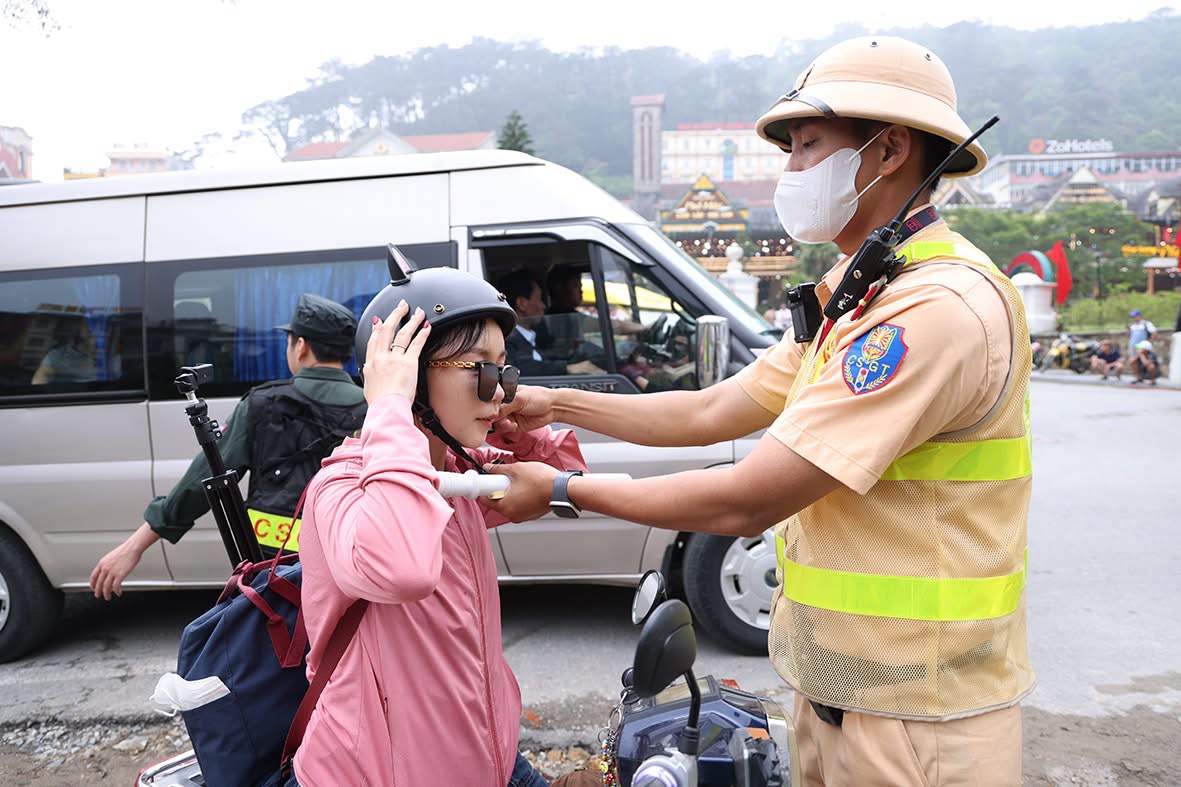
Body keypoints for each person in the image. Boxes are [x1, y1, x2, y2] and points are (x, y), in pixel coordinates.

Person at [486, 36, 1032, 786]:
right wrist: (552, 401)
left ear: (888, 150)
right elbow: (712, 409)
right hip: (842, 695)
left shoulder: (932, 308)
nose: (791, 170)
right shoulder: (860, 293)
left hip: (917, 718)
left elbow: (750, 498)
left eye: (807, 145)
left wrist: (558, 489)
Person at [289, 266, 586, 787]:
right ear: (415, 375)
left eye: (506, 372)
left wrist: (516, 422)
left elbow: (562, 478)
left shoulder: (455, 471)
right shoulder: (342, 487)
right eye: (484, 370)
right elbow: (401, 568)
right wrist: (389, 407)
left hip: (485, 756)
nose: (499, 391)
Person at [89, 293, 367, 600]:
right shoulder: (374, 407)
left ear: (300, 346)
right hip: (349, 574)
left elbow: (204, 478)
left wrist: (134, 546)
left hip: (273, 578)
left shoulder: (261, 404)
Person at [496, 268, 604, 376]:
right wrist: (567, 368)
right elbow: (521, 367)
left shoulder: (534, 337)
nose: (543, 306)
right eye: (539, 299)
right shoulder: (507, 341)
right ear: (522, 304)